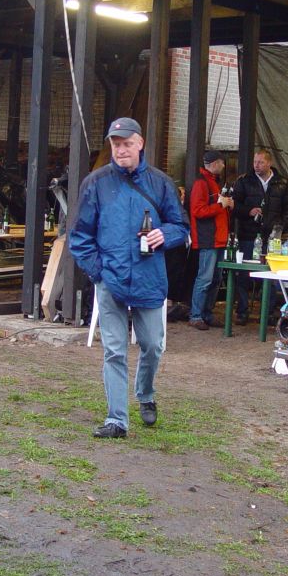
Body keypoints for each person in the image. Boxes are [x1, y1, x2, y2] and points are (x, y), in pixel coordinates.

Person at [69, 117, 188, 439]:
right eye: (116, 144)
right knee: (114, 350)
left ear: (140, 144)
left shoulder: (161, 183)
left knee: (152, 346)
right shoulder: (96, 183)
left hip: (150, 278)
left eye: (127, 143)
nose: (121, 150)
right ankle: (117, 420)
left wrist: (166, 234)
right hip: (111, 279)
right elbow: (79, 235)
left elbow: (181, 227)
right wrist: (99, 272)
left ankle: (145, 393)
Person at [232, 148, 288, 325]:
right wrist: (248, 211)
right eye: (255, 162)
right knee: (244, 272)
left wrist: (281, 226)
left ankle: (267, 312)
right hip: (248, 234)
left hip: (272, 236)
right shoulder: (244, 181)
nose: (257, 165)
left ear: (269, 163)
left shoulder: (282, 183)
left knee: (271, 273)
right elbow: (234, 205)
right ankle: (242, 311)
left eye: (260, 162)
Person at [188, 150, 233, 330]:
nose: (223, 165)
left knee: (214, 279)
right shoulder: (202, 183)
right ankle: (196, 315)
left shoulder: (212, 182)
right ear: (214, 164)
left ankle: (205, 313)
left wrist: (224, 205)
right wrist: (221, 205)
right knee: (206, 279)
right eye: (221, 162)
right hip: (209, 239)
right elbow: (197, 211)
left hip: (217, 238)